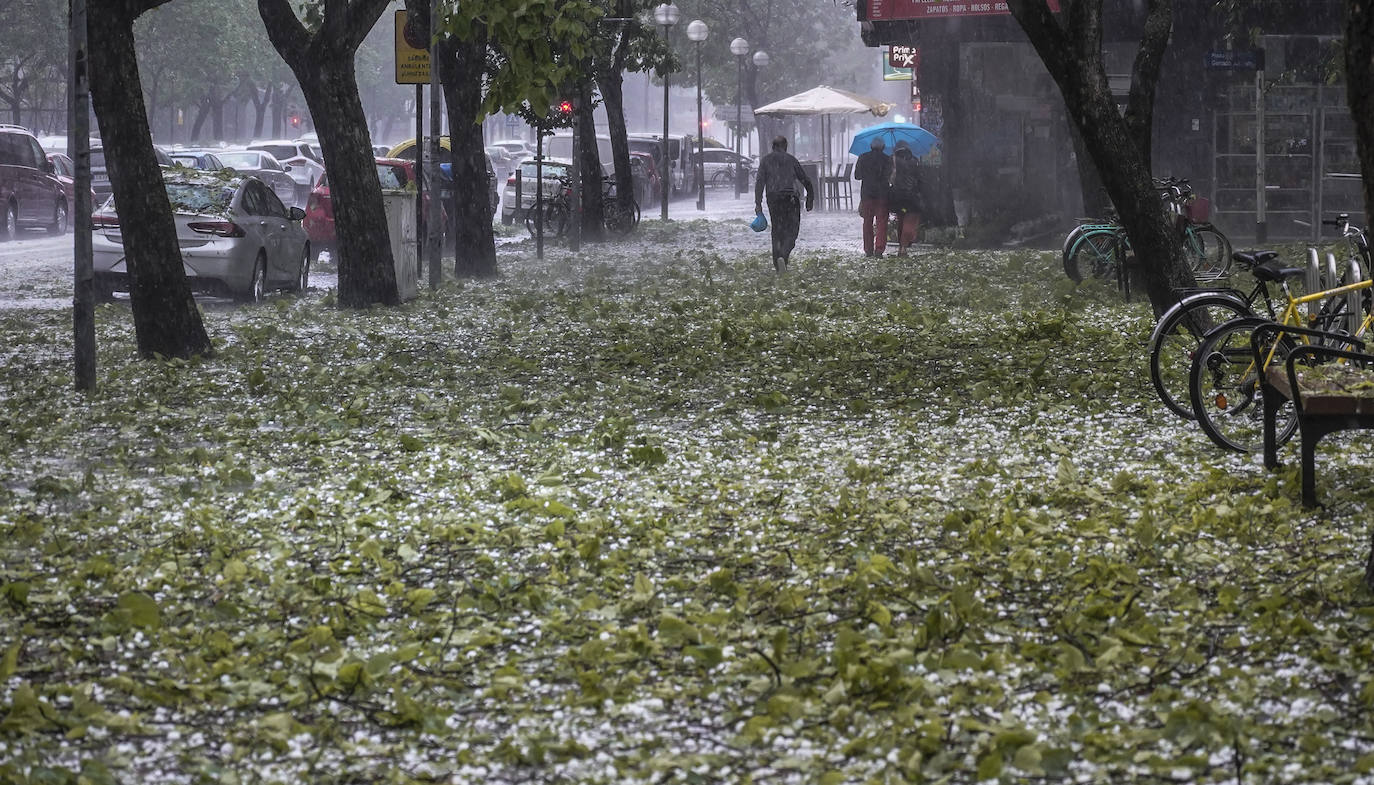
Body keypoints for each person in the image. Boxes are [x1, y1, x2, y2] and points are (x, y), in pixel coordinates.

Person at [754, 135, 815, 271]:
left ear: (773, 147)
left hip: (774, 199)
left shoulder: (765, 161)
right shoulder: (791, 160)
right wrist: (810, 199)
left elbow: (759, 183)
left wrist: (758, 203)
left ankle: (778, 263)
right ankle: (784, 255)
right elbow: (806, 180)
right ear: (785, 146)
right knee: (792, 231)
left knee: (777, 230)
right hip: (790, 198)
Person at [852, 136, 890, 257]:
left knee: (867, 222)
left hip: (867, 195)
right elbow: (889, 176)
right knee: (881, 223)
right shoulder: (887, 159)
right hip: (882, 195)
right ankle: (879, 249)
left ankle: (868, 249)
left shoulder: (863, 157)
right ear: (883, 147)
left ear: (871, 146)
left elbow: (857, 176)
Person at [887, 140, 923, 256]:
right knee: (910, 221)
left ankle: (901, 247)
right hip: (911, 197)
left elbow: (889, 178)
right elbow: (920, 179)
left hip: (897, 197)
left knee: (901, 221)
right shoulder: (914, 161)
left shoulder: (892, 161)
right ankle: (903, 247)